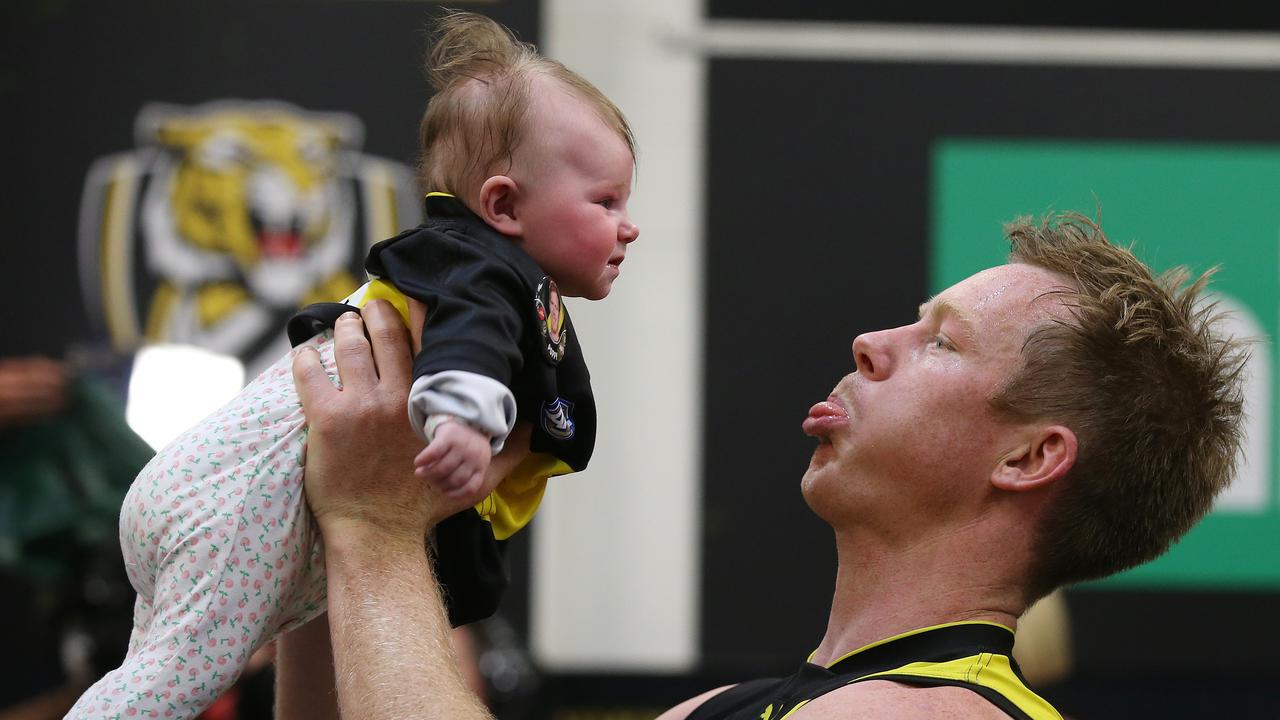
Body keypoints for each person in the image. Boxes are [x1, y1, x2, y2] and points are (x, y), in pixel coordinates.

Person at [283, 213, 1247, 719]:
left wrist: (373, 523)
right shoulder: (728, 710)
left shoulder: (944, 719)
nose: (871, 341)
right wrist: (319, 544)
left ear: (1031, 457)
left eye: (941, 344)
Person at [67, 10, 639, 720]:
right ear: (503, 205)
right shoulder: (482, 269)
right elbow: (472, 340)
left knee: (154, 670)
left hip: (226, 494)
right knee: (170, 683)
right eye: (605, 201)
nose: (628, 224)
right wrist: (461, 418)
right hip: (245, 492)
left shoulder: (490, 275)